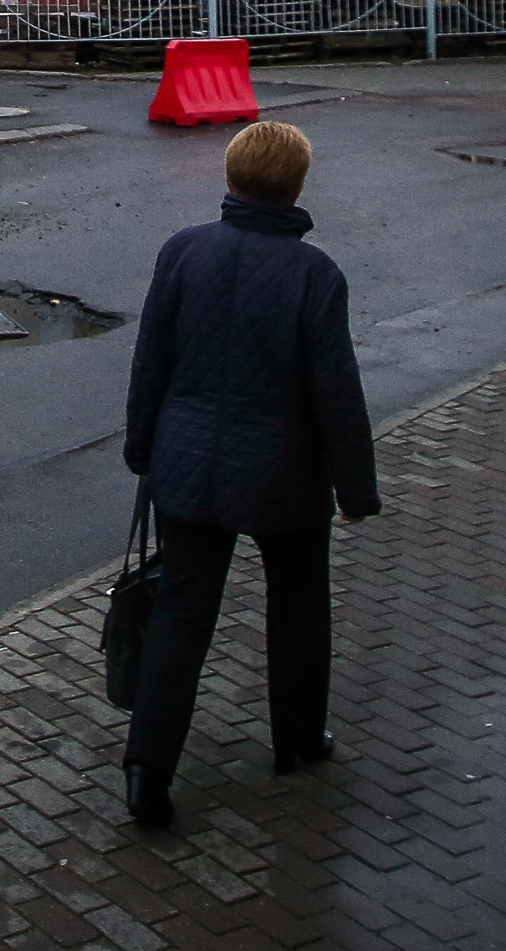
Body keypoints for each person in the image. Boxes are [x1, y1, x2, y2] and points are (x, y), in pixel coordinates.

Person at [116, 116, 379, 830]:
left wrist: (144, 450)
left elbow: (152, 362)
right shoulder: (314, 274)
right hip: (284, 475)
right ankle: (298, 738)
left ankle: (146, 769)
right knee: (298, 606)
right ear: (295, 186)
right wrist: (356, 488)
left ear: (230, 177)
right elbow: (336, 391)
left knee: (181, 614)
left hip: (189, 464)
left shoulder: (183, 251)